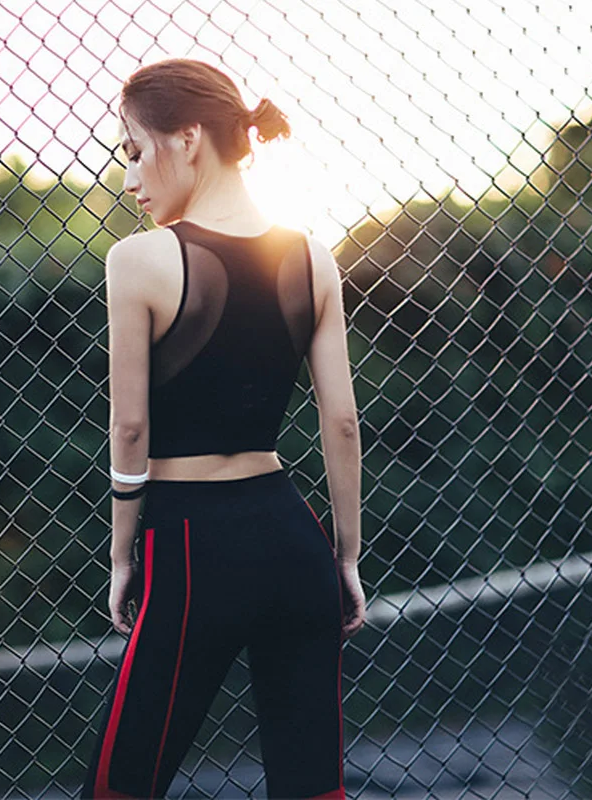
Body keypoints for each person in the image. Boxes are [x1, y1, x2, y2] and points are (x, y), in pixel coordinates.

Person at [81, 58, 366, 800]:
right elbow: (341, 421)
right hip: (294, 540)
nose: (129, 177)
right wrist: (345, 556)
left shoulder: (137, 259)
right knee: (313, 788)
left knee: (120, 785)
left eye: (133, 151)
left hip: (189, 546)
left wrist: (120, 553)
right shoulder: (311, 254)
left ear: (188, 138)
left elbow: (131, 426)